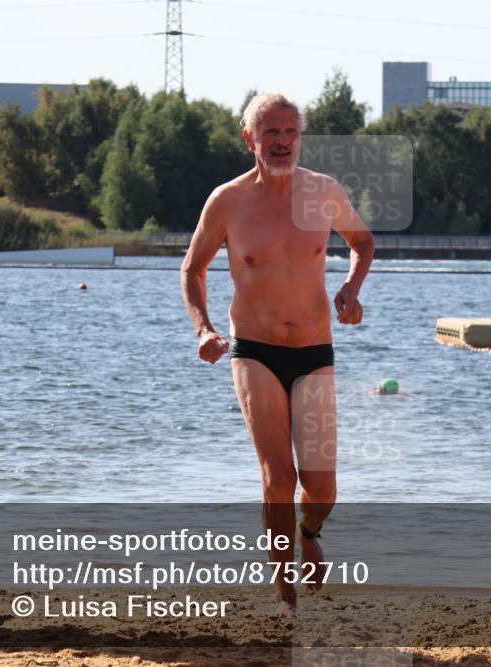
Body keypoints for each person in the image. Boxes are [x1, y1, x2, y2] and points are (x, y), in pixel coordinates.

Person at [180, 93, 375, 614]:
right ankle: (285, 593)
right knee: (279, 475)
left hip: (314, 349)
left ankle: (309, 532)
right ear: (251, 140)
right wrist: (203, 329)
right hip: (254, 351)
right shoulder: (228, 201)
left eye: (290, 132)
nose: (283, 141)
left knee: (322, 487)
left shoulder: (323, 192)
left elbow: (363, 241)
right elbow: (192, 269)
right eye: (271, 133)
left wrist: (351, 290)